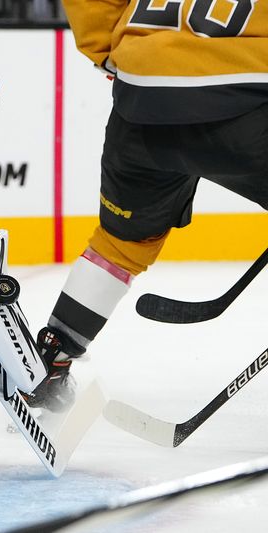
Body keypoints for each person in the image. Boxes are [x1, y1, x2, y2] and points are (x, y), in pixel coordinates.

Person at [24, 0, 268, 412]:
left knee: (119, 242)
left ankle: (50, 358)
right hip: (248, 100)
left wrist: (110, 52)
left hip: (143, 98)